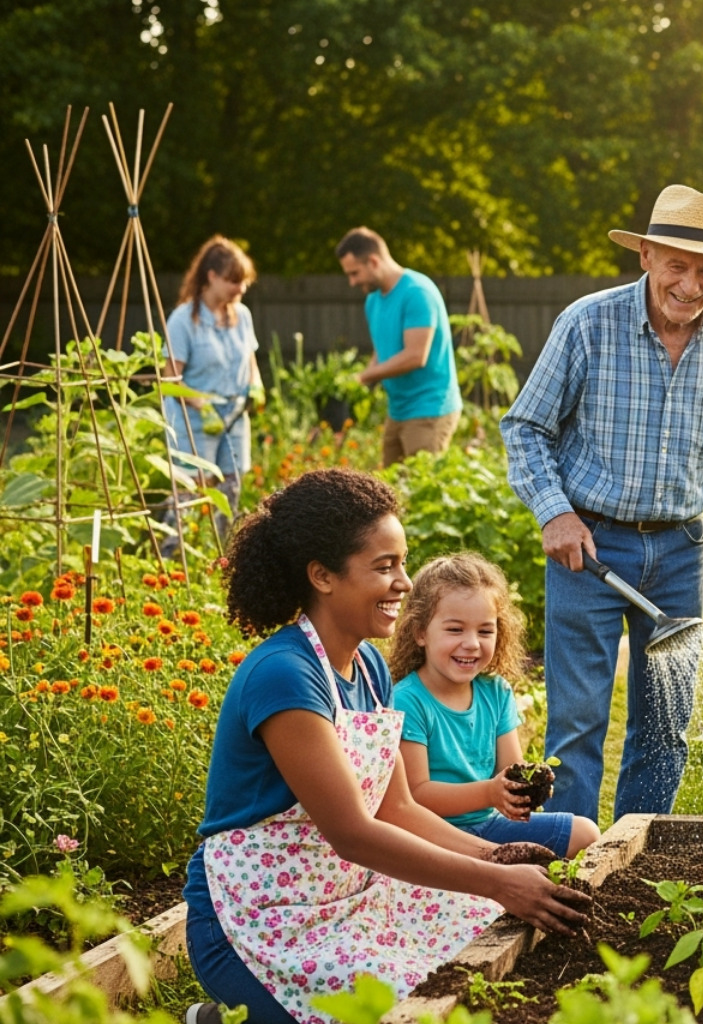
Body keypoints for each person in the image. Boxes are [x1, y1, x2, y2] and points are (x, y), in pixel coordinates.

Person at [182, 469, 587, 1024]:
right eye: (384, 566)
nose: (405, 583)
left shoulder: (370, 665)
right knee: (407, 1005)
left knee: (473, 941)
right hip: (258, 917)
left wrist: (495, 856)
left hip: (347, 893)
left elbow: (397, 807)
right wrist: (496, 879)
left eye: (402, 562)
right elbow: (353, 833)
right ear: (323, 576)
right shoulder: (285, 676)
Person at [501, 184, 703, 822]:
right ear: (645, 255)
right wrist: (554, 511)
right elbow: (525, 427)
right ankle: (565, 867)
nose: (692, 283)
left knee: (667, 728)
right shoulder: (587, 323)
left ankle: (631, 865)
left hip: (680, 551)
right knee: (579, 724)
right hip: (589, 546)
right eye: (677, 264)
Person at [389, 552, 600, 857]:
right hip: (433, 836)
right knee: (514, 861)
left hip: (489, 825)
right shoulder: (408, 699)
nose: (472, 643)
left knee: (586, 833)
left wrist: (526, 788)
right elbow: (417, 795)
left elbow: (509, 772)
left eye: (485, 630)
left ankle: (503, 867)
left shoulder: (495, 692)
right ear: (420, 632)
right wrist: (489, 792)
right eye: (455, 629)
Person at [161, 236, 264, 553]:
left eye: (244, 281)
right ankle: (169, 551)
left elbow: (250, 359)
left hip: (234, 415)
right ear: (211, 276)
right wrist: (201, 404)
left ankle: (225, 554)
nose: (240, 289)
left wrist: (256, 386)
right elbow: (169, 380)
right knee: (192, 489)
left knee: (231, 486)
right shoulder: (183, 320)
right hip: (194, 418)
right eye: (234, 281)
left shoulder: (241, 315)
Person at [335, 227, 461, 466]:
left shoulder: (417, 293)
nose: (352, 282)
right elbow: (382, 351)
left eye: (355, 273)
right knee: (389, 491)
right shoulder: (373, 299)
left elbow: (415, 356)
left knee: (421, 491)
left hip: (429, 408)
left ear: (373, 261)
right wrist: (360, 382)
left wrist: (363, 377)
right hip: (398, 409)